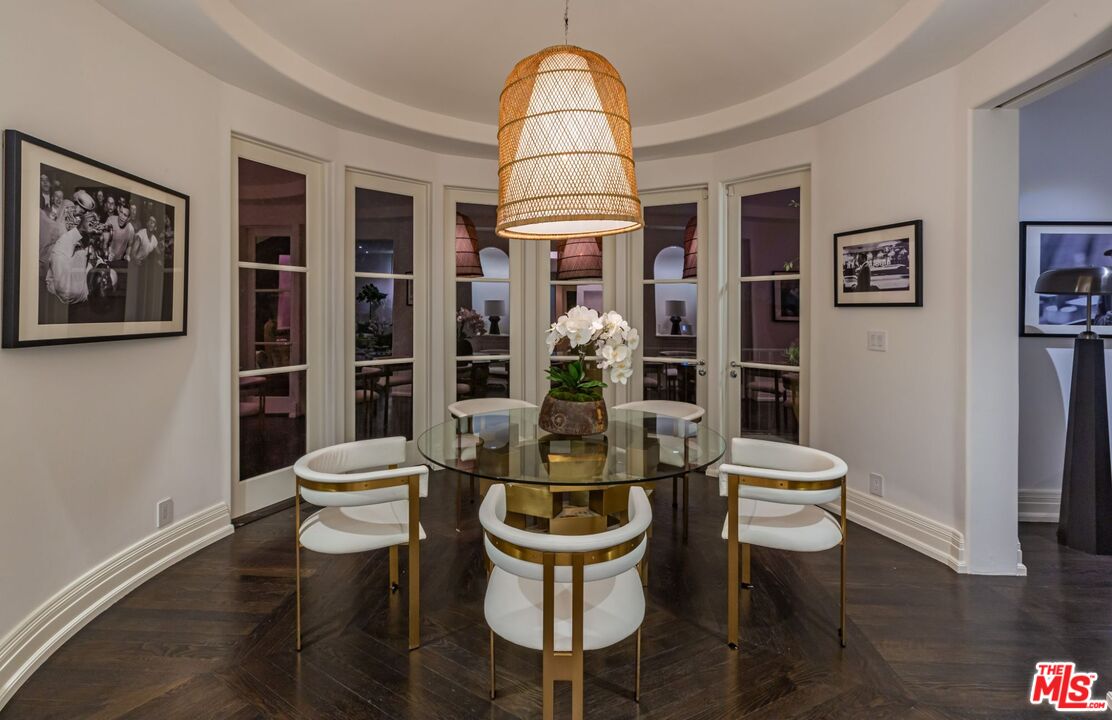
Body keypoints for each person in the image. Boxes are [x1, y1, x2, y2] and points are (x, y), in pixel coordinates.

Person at [45, 213, 115, 304]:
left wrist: (79, 229)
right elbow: (93, 260)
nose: (105, 271)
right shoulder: (91, 280)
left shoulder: (71, 290)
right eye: (108, 271)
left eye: (107, 277)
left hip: (51, 295)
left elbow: (58, 253)